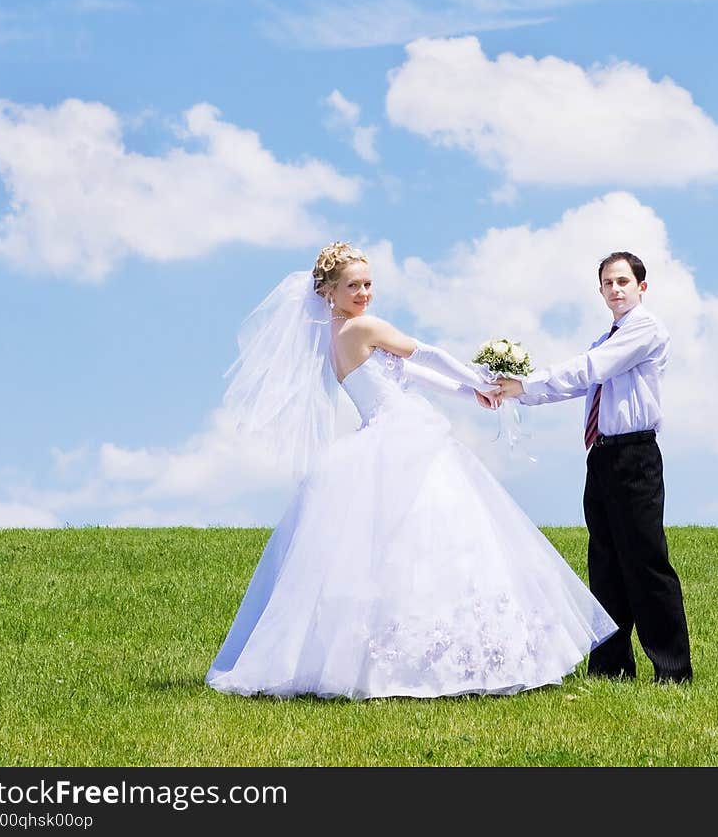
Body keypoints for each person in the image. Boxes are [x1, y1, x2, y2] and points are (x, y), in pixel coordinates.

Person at [205, 241, 617, 700]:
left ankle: (388, 659)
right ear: (327, 291)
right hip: (403, 435)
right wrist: (478, 377)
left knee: (395, 547)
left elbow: (407, 376)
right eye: (352, 285)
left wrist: (470, 394)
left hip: (386, 432)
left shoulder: (335, 336)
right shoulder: (363, 327)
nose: (363, 293)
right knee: (439, 536)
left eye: (367, 283)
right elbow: (425, 355)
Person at [494, 251, 692, 684]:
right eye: (608, 283)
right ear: (600, 291)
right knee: (604, 561)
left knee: (645, 561)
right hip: (601, 454)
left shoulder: (643, 330)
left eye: (623, 281)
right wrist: (516, 393)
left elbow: (589, 371)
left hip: (634, 455)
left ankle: (673, 670)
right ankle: (610, 667)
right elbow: (578, 383)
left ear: (642, 287)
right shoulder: (604, 339)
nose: (615, 289)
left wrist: (525, 382)